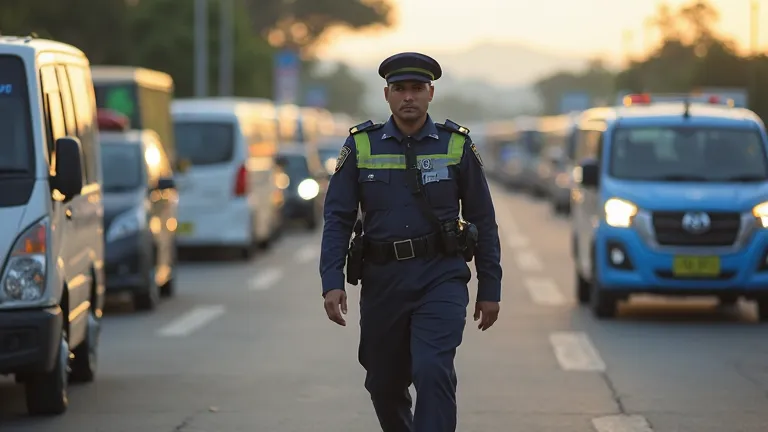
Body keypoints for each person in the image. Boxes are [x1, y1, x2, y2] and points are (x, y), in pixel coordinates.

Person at [319, 51, 503, 432]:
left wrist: (490, 286)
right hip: (383, 280)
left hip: (441, 276)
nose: (408, 97)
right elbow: (337, 218)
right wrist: (332, 282)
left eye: (417, 88)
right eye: (399, 89)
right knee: (383, 382)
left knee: (432, 369)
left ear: (430, 93)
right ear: (386, 94)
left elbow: (483, 218)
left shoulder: (457, 145)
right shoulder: (361, 146)